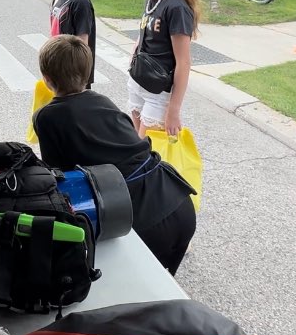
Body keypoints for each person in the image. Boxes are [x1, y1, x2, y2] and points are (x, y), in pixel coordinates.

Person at [33, 35, 197, 274]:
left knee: (134, 293)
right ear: (87, 74)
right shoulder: (103, 101)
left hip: (139, 216)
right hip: (177, 200)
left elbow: (58, 180)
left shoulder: (47, 117)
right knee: (161, 288)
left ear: (47, 80)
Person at [127, 0, 199, 138]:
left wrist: (173, 111)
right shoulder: (151, 1)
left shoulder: (176, 7)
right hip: (138, 81)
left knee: (146, 154)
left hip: (158, 92)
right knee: (137, 147)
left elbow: (183, 62)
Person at [51, 0, 97, 88]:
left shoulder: (81, 2)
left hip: (73, 74)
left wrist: (77, 78)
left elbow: (82, 44)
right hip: (58, 67)